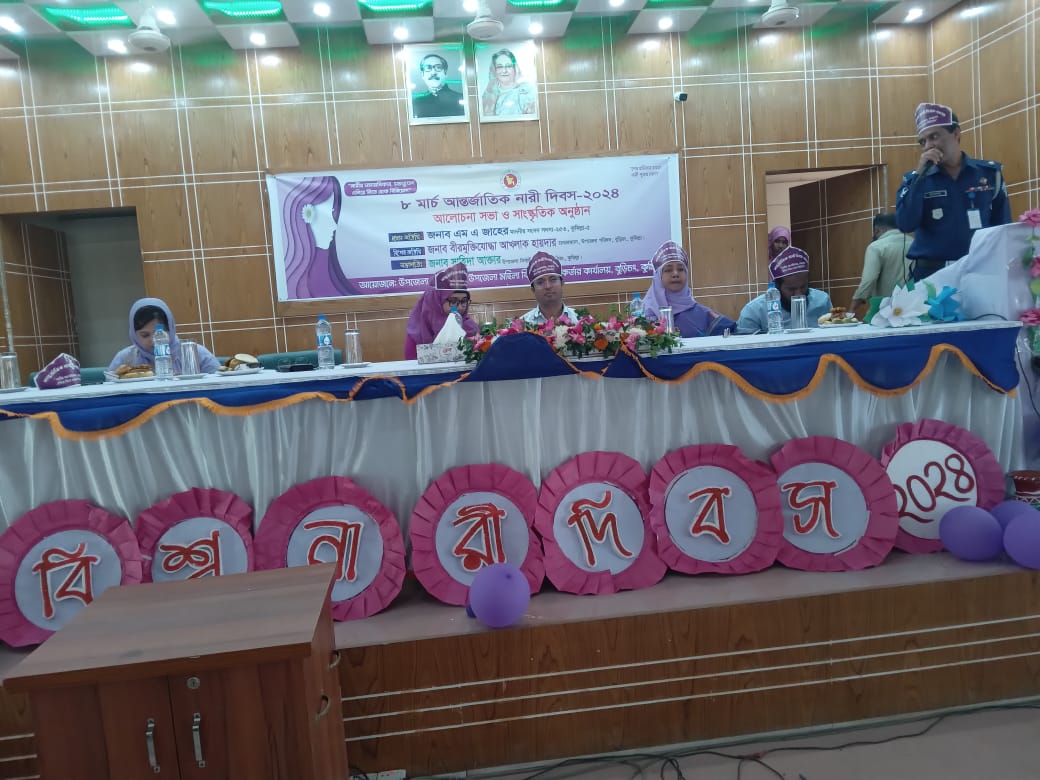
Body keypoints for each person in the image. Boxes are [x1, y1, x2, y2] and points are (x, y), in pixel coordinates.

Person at [895, 102, 1010, 281]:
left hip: (978, 272)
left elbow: (1003, 228)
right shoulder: (914, 180)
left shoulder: (989, 174)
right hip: (931, 275)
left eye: (934, 136)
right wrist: (919, 178)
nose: (928, 146)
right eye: (923, 141)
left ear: (956, 134)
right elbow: (905, 224)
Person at [281, 175, 359, 299]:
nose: (334, 225)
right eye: (325, 214)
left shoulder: (328, 267)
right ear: (305, 216)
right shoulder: (293, 281)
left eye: (332, 211)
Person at [642, 241, 735, 337]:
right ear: (658, 277)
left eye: (681, 269)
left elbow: (734, 334)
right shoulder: (642, 314)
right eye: (668, 270)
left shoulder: (703, 314)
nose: (675, 274)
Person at [108, 298, 220, 374]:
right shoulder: (125, 358)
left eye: (160, 334)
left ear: (170, 329)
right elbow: (109, 390)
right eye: (145, 335)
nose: (153, 341)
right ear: (133, 334)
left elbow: (220, 384)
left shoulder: (194, 352)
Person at [736, 246, 833, 334]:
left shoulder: (822, 301)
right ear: (777, 287)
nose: (798, 294)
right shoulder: (754, 312)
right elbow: (744, 345)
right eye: (791, 289)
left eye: (803, 287)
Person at [404, 262, 479, 359]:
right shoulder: (417, 332)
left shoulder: (470, 328)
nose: (460, 307)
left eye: (464, 301)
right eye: (453, 301)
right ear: (435, 301)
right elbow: (412, 363)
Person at [850, 213, 911, 313]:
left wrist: (852, 309)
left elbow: (869, 280)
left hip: (885, 311)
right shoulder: (914, 244)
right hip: (913, 308)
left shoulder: (876, 247)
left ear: (877, 230)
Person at [521, 251, 579, 326]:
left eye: (553, 279)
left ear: (562, 283)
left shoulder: (581, 321)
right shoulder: (522, 326)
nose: (548, 286)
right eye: (540, 282)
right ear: (533, 289)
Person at [480, 49, 536, 117]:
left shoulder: (526, 92)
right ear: (494, 70)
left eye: (508, 66)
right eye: (500, 67)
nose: (504, 71)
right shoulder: (488, 94)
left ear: (514, 68)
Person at [412, 53, 465, 119]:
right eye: (428, 68)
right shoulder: (415, 103)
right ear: (422, 75)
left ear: (445, 73)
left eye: (438, 67)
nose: (433, 72)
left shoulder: (461, 99)